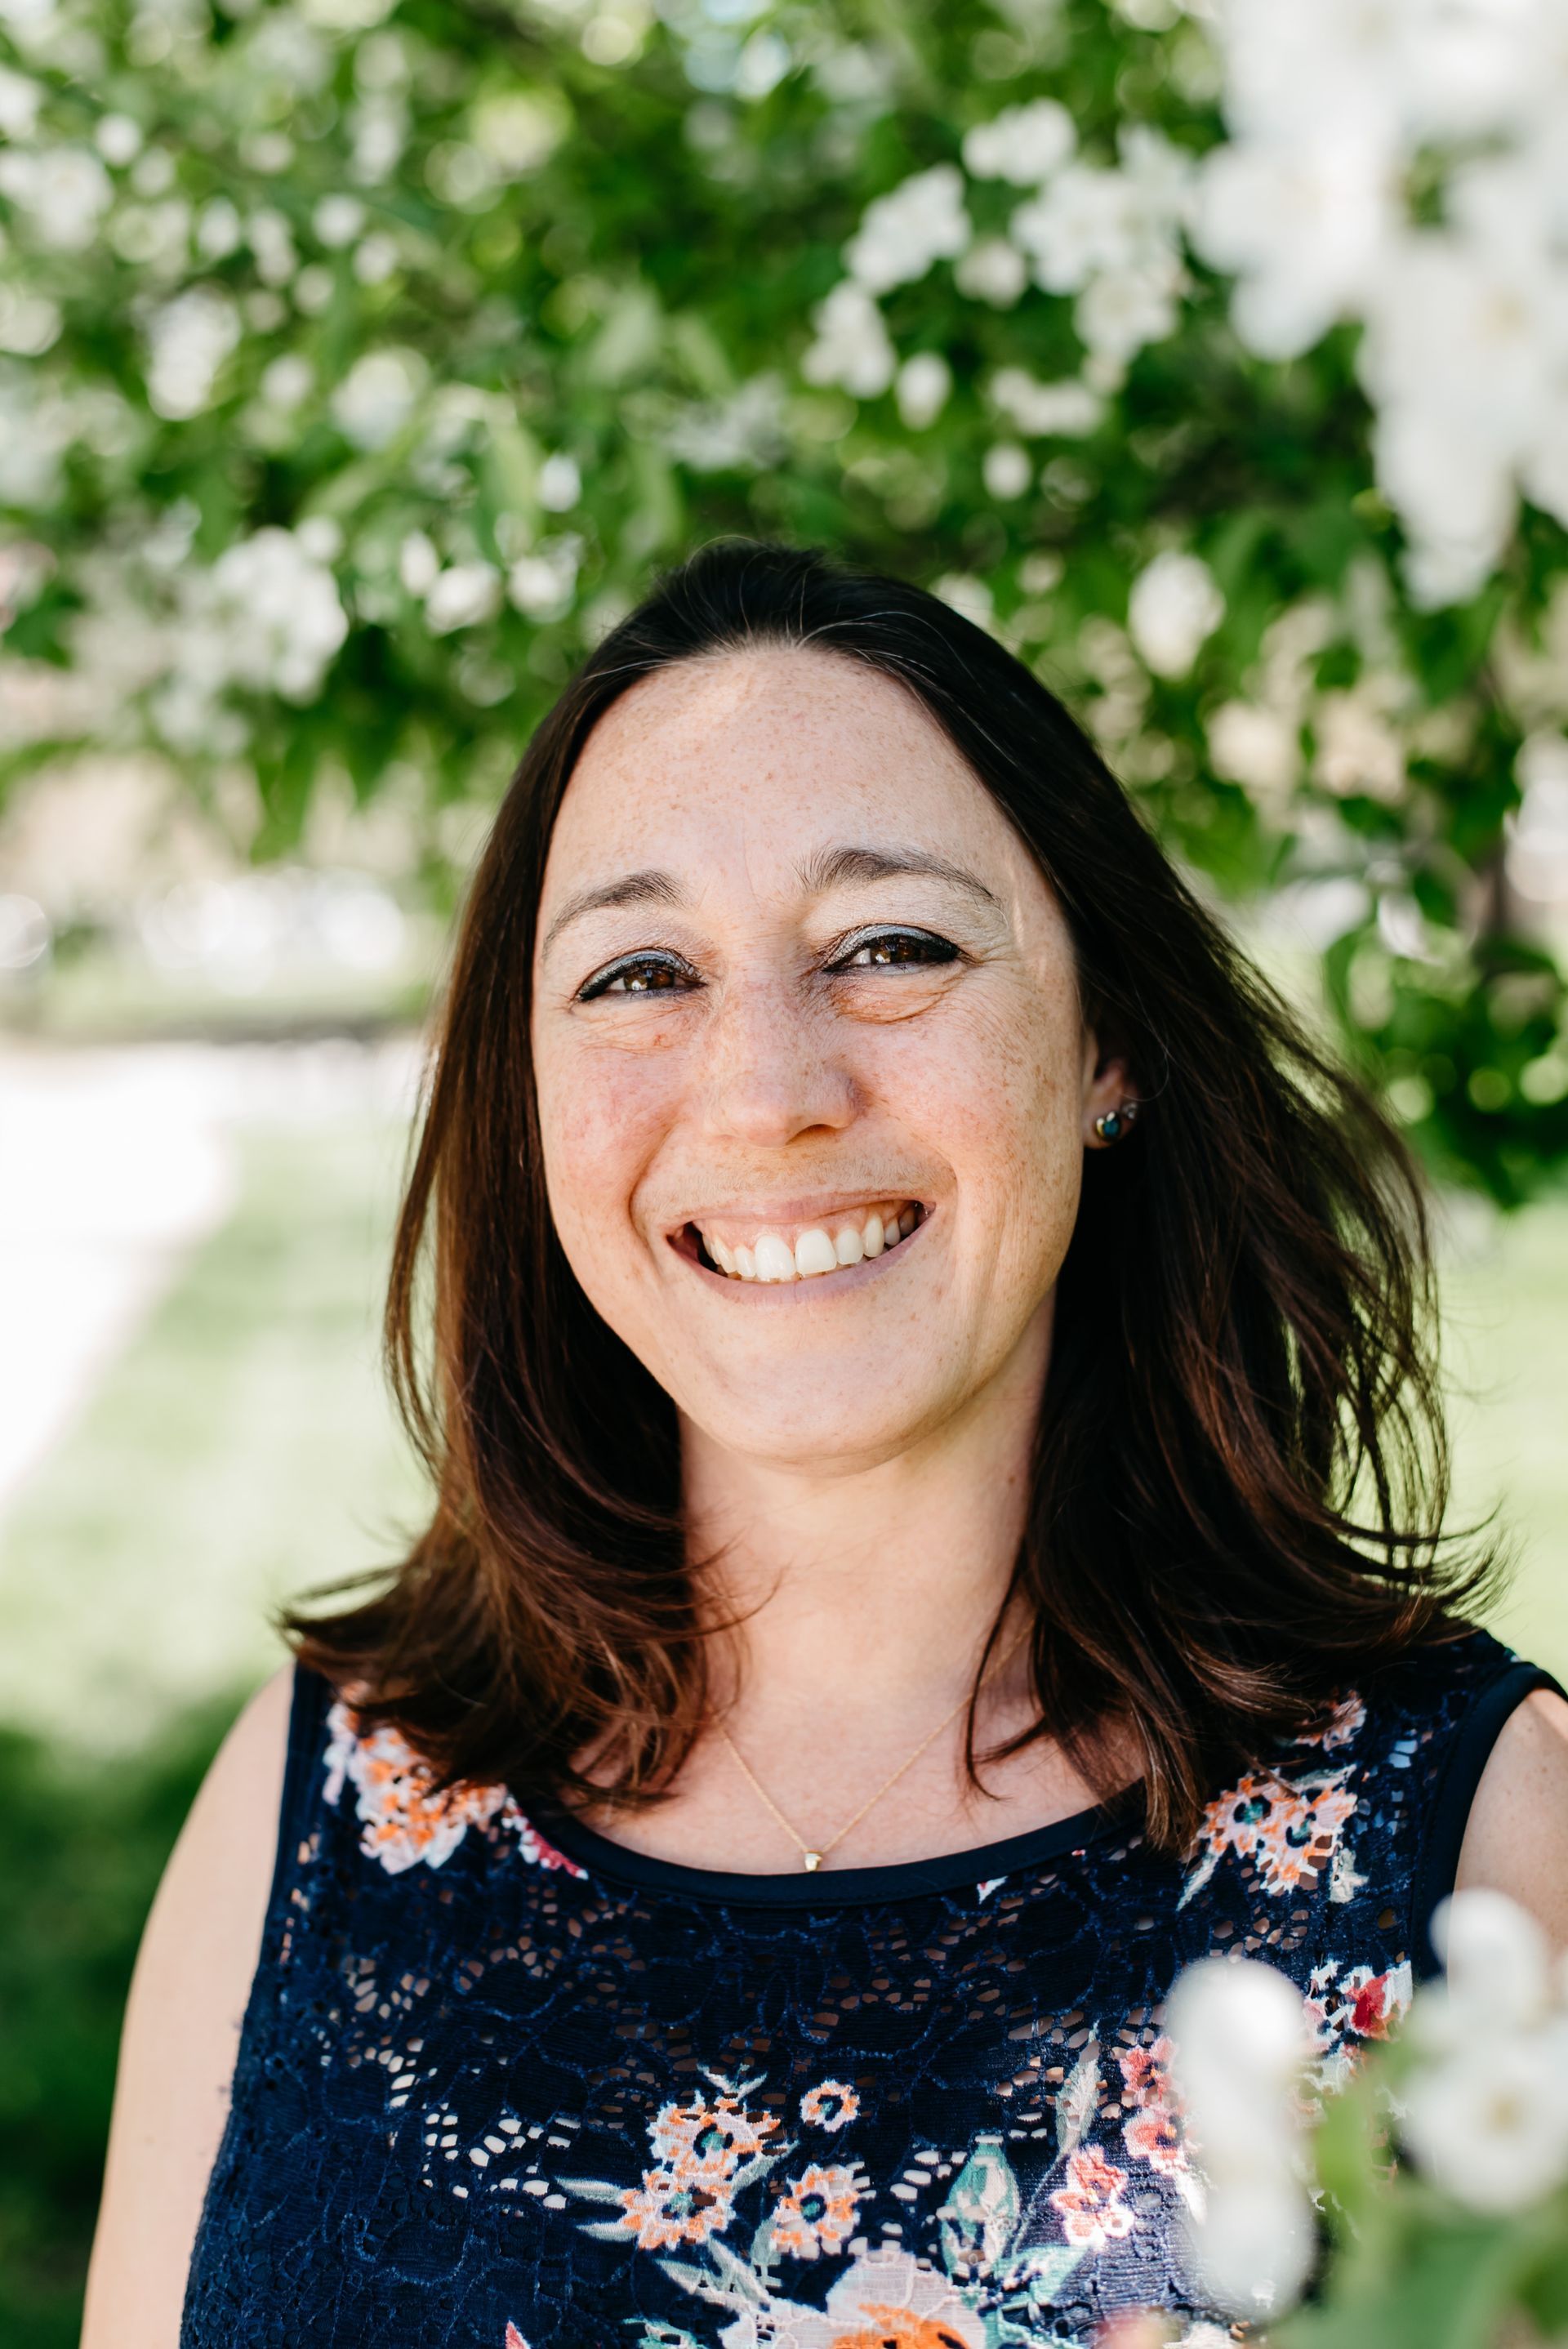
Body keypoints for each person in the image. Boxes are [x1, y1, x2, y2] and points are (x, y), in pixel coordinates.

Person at [86, 540, 1568, 2349]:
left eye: (891, 945)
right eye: (639, 972)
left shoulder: (1483, 1852)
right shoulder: (312, 1806)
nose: (770, 1089)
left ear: (1108, 1040)